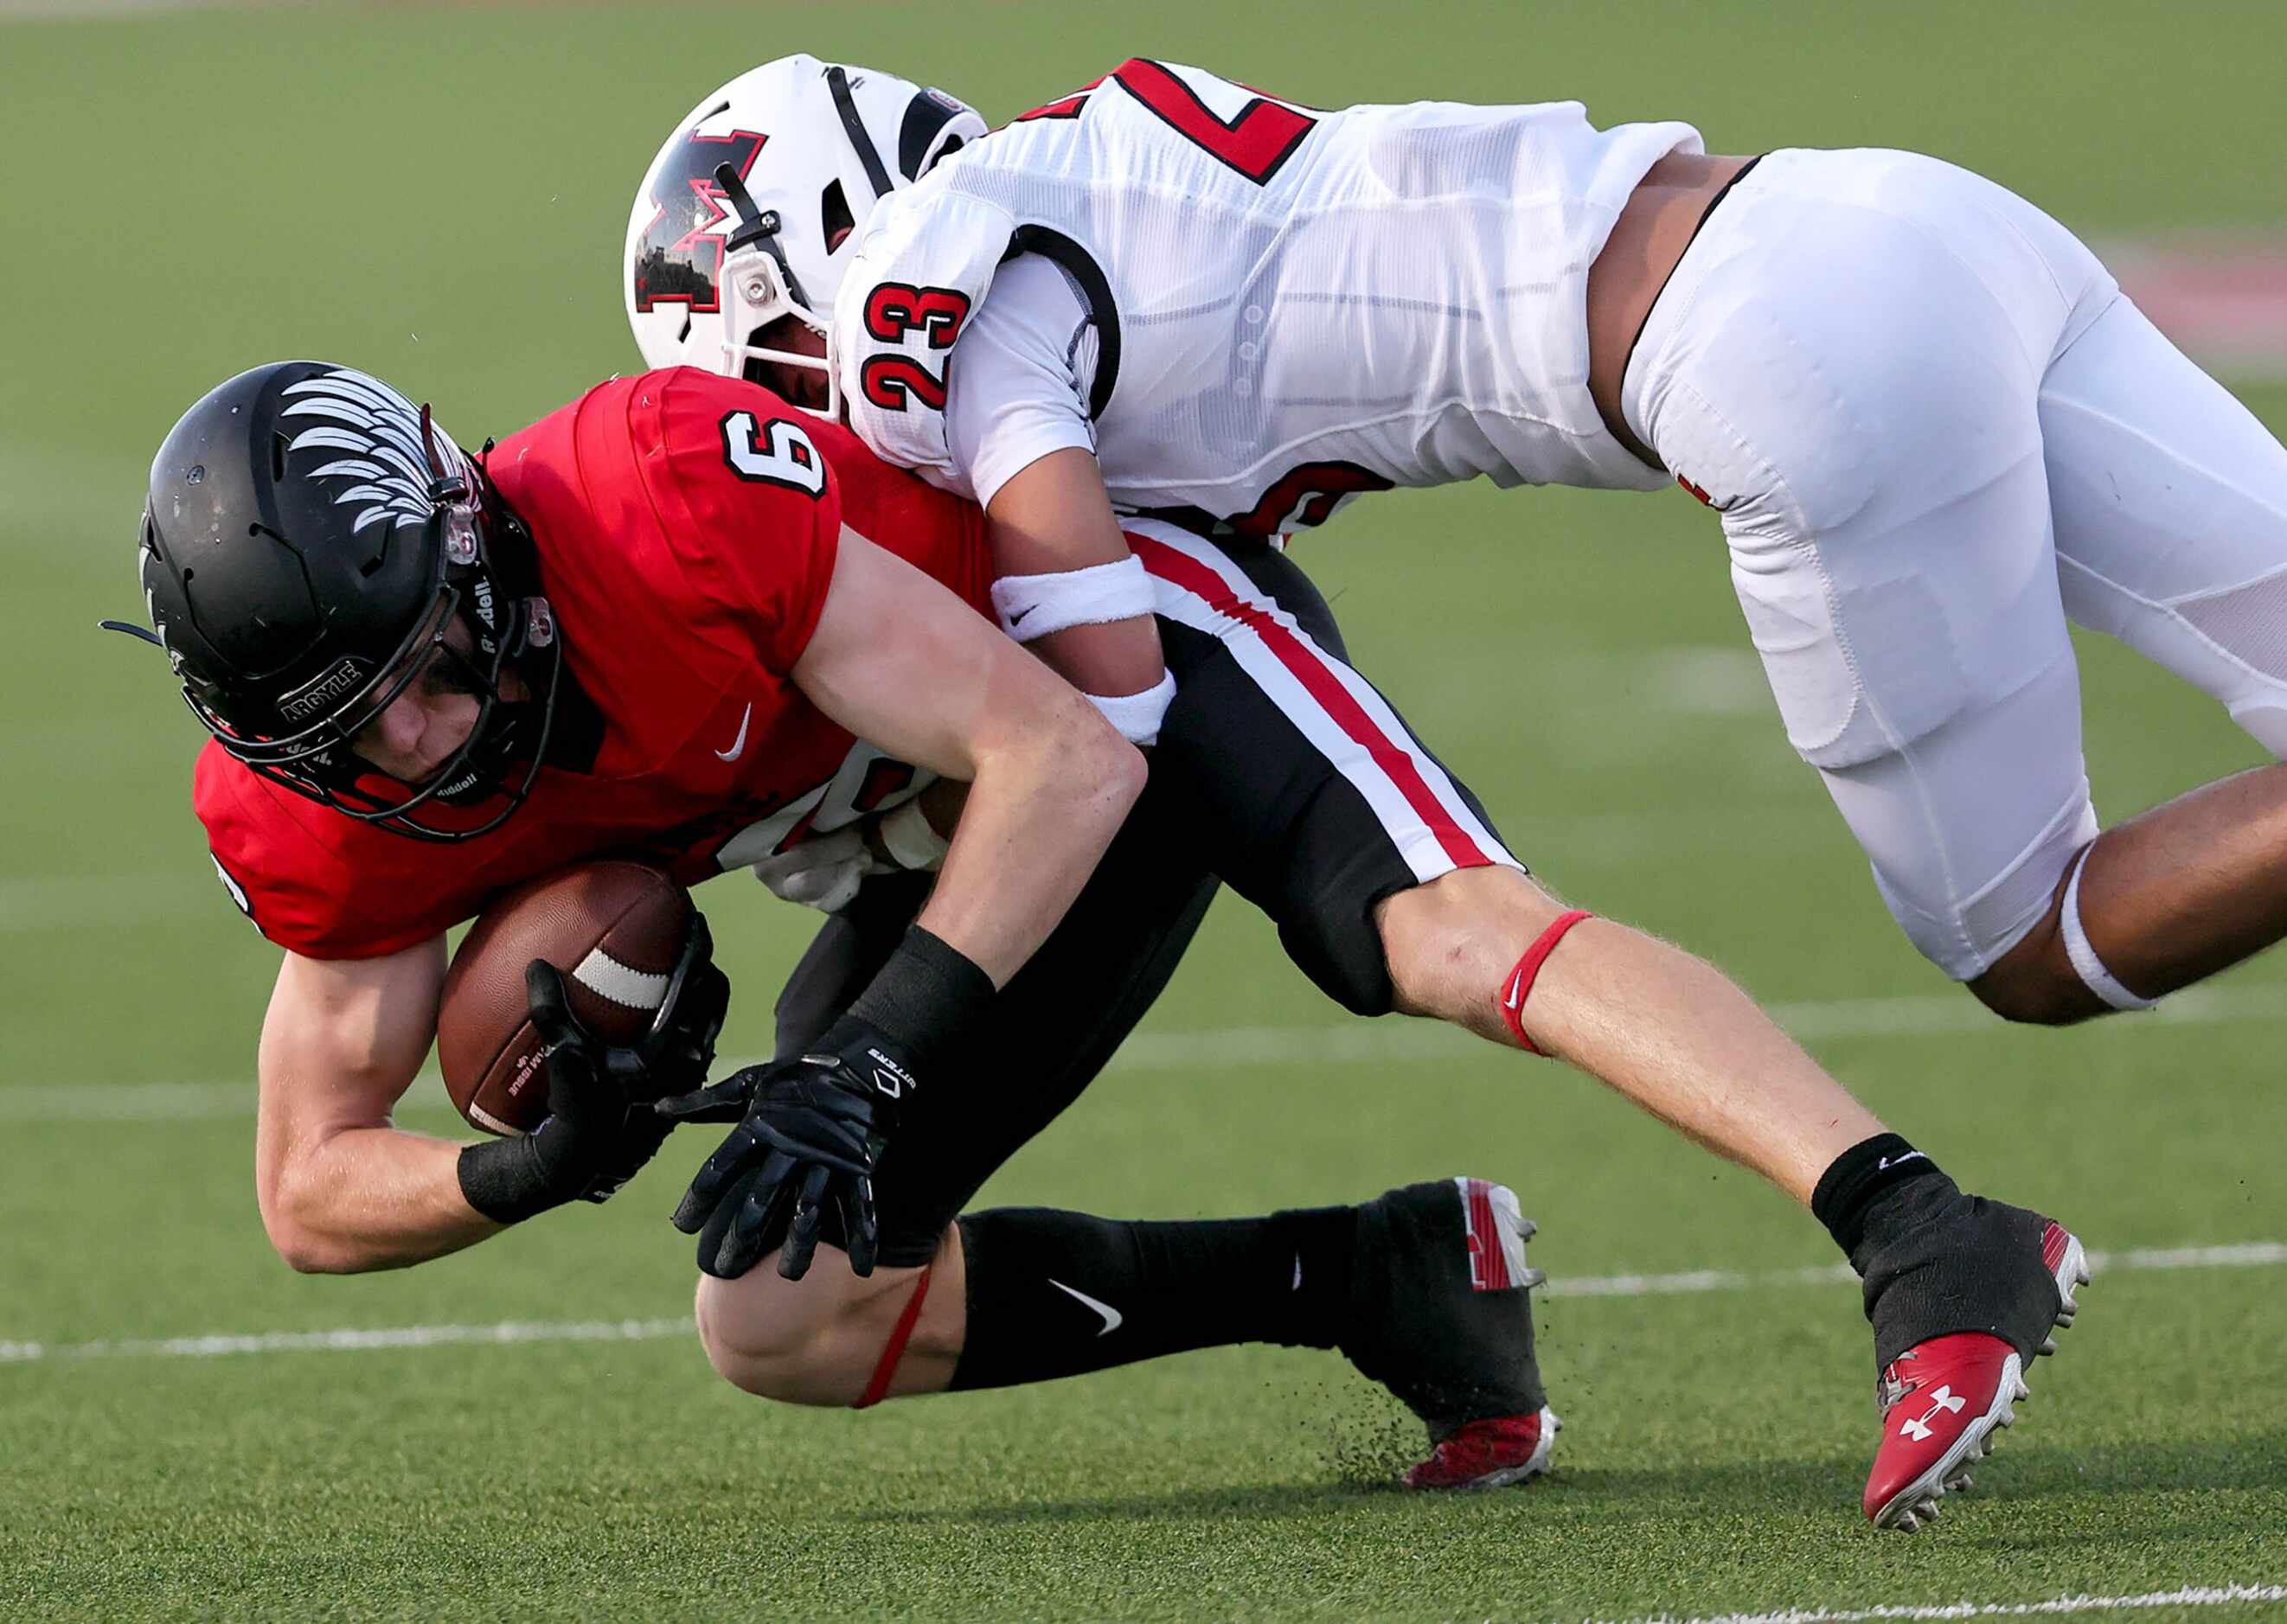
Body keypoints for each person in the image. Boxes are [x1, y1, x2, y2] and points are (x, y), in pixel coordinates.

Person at [120, 359, 2077, 1526]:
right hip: (938, 799)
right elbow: (308, 1190)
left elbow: (1055, 745)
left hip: (1101, 645)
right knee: (780, 1318)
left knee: (1434, 934)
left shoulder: (660, 506)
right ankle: (1381, 1280)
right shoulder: (331, 800)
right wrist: (527, 1166)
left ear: (477, 545)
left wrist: (865, 1055)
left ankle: (1915, 1222)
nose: (418, 756)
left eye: (431, 680)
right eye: (345, 736)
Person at [634, 55, 2287, 1046]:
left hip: (1772, 351)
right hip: (1890, 214)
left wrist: (951, 827)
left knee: (2027, 941)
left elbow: (1109, 705)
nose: (814, 431)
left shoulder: (927, 301)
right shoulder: (1072, 164)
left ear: (816, 261)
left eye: (771, 375)